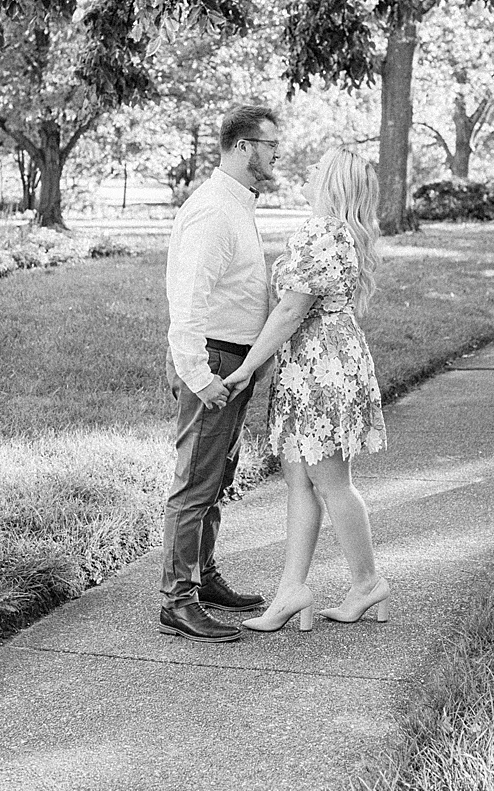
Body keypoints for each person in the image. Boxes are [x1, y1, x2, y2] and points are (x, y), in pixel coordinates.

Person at [226, 148, 390, 633]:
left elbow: (291, 311)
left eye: (319, 168)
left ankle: (367, 583)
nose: (310, 171)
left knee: (331, 482)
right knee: (301, 480)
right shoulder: (335, 231)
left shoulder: (322, 233)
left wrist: (248, 366)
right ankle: (292, 590)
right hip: (317, 363)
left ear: (333, 183)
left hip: (321, 368)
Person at [158, 103, 280, 643]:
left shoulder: (237, 205)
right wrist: (199, 374)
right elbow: (187, 301)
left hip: (236, 361)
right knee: (195, 482)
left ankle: (203, 579)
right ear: (244, 147)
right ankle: (177, 602)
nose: (277, 155)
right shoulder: (212, 209)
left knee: (217, 479)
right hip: (215, 362)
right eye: (271, 145)